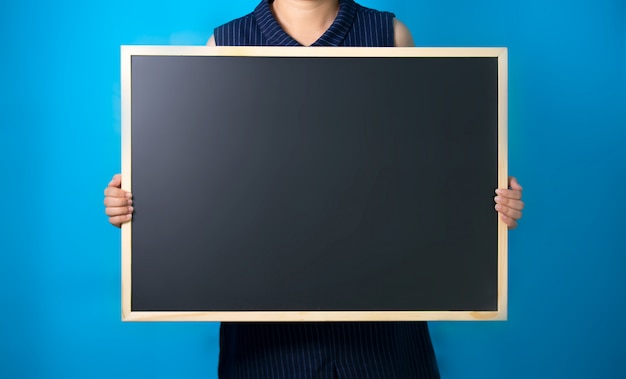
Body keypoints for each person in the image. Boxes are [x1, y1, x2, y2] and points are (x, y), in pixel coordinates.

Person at [104, 0, 525, 377]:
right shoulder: (227, 41)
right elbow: (205, 184)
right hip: (264, 344)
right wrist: (140, 206)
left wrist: (485, 206)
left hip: (383, 332)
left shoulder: (389, 34)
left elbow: (427, 171)